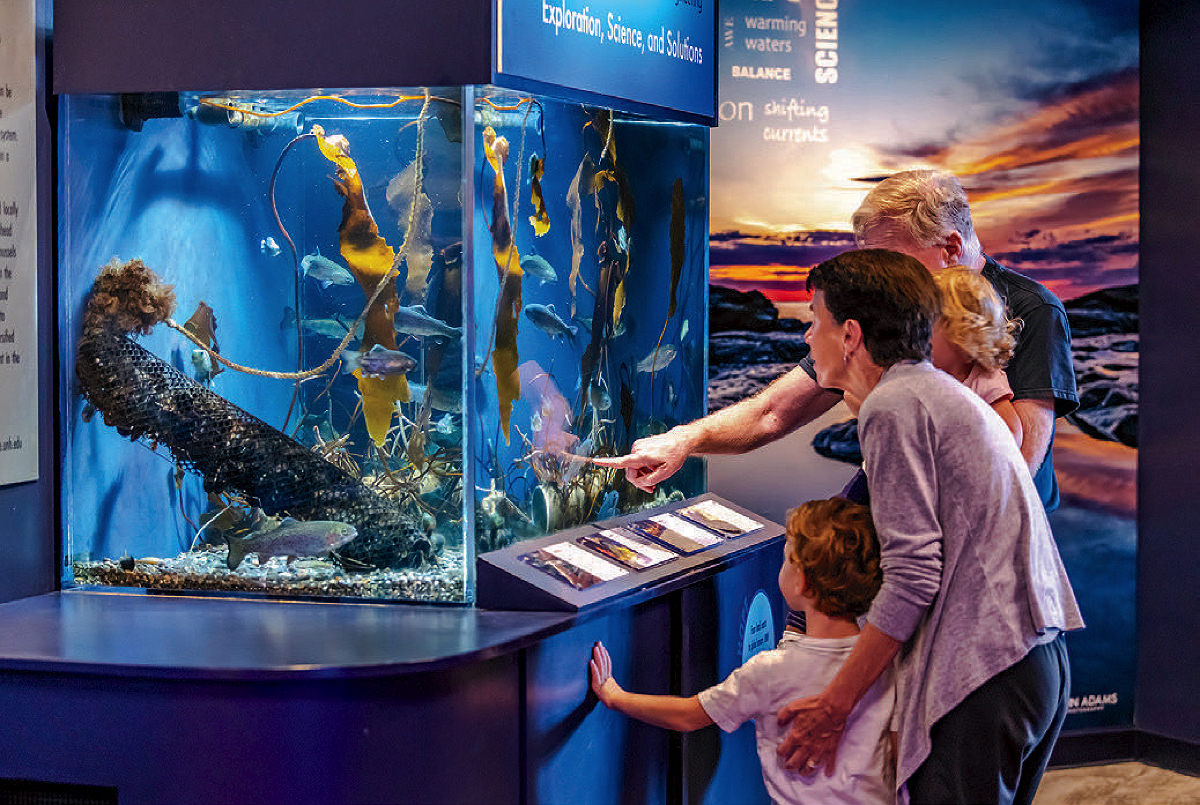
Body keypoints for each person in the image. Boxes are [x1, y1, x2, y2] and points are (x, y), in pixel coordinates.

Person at [772, 249, 1082, 805]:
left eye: (813, 319)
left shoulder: (896, 404)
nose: (805, 337)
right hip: (1031, 656)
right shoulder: (928, 392)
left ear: (849, 335)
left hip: (988, 670)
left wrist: (834, 703)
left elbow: (913, 575)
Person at [594, 169, 1077, 511]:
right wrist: (685, 439)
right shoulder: (890, 308)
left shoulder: (1033, 310)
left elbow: (1017, 469)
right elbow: (774, 412)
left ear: (950, 247)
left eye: (891, 260)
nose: (877, 279)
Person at [589, 497, 895, 805]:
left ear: (802, 582)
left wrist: (616, 697)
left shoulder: (771, 671)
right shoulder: (886, 665)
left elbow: (690, 716)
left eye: (788, 557)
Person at [932, 266, 1022, 444]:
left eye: (926, 327)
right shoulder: (929, 375)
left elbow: (1012, 433)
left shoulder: (983, 382)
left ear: (964, 340)